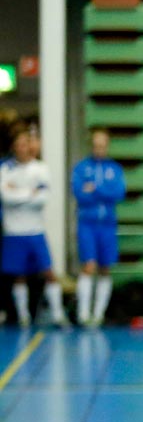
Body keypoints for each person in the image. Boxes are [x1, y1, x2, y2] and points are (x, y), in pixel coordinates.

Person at [1, 131, 69, 328]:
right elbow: (5, 197)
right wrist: (29, 193)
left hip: (36, 230)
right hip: (14, 231)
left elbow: (42, 198)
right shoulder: (5, 169)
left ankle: (58, 315)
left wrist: (17, 192)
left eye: (26, 144)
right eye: (19, 144)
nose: (23, 148)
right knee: (18, 276)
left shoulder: (40, 169)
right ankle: (23, 317)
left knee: (49, 273)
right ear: (14, 147)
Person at [71, 127, 127, 327]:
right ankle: (83, 313)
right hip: (87, 223)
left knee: (105, 268)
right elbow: (80, 193)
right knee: (89, 266)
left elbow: (119, 193)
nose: (99, 149)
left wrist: (96, 188)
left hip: (108, 225)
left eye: (102, 146)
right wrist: (101, 192)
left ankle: (99, 313)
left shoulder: (115, 169)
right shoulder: (81, 168)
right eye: (96, 145)